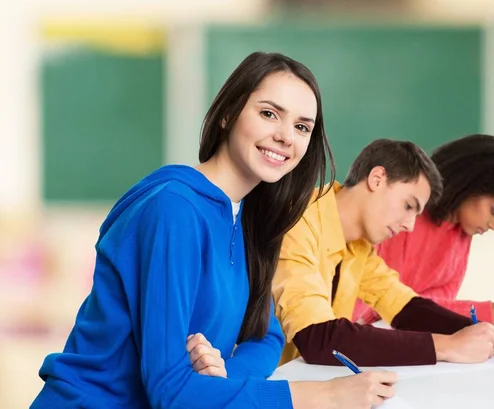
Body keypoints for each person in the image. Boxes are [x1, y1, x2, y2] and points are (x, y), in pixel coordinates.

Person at [30, 52, 397, 409]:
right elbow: (170, 392)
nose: (287, 136)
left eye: (302, 127)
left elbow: (267, 335)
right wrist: (327, 397)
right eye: (269, 114)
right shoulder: (174, 210)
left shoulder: (249, 214)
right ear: (226, 115)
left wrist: (224, 376)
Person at [272, 138, 494, 367]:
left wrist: (490, 334)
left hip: (306, 379)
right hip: (268, 384)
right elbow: (319, 338)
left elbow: (405, 306)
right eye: (408, 205)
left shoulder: (358, 244)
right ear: (377, 179)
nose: (409, 225)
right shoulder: (299, 220)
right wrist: (445, 347)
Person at [353, 134, 494, 327]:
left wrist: (492, 326)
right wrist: (481, 313)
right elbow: (392, 304)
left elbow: (433, 309)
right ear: (470, 184)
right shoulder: (402, 217)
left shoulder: (461, 233)